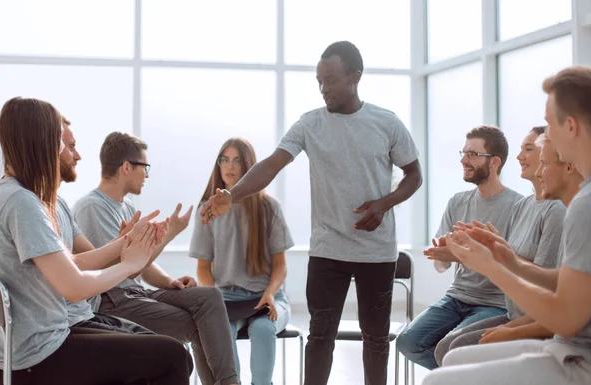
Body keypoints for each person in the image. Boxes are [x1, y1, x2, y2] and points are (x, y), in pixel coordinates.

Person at [200, 41, 422, 385]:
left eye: (331, 80)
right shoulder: (310, 124)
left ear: (355, 77)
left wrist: (383, 204)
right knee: (320, 339)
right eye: (319, 81)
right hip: (327, 251)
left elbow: (414, 175)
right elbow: (273, 163)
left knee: (376, 340)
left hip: (376, 252)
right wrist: (233, 194)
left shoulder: (386, 122)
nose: (324, 89)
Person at [423, 65, 591, 385]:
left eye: (548, 123)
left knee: (438, 380)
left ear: (570, 126)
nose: (545, 135)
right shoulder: (587, 196)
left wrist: (492, 268)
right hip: (571, 348)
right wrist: (508, 258)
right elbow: (569, 281)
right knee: (452, 356)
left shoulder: (587, 204)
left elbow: (565, 318)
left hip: (582, 358)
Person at [0, 96, 190, 384]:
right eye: (60, 141)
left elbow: (71, 263)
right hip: (40, 354)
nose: (66, 150)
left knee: (166, 351)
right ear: (42, 143)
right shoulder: (22, 203)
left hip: (47, 339)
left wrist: (124, 244)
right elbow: (75, 288)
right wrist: (129, 264)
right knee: (173, 356)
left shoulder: (14, 195)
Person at [73, 131, 239, 385]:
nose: (147, 175)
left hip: (137, 293)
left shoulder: (126, 206)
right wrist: (169, 234)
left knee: (209, 296)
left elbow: (142, 266)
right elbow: (126, 268)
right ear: (127, 167)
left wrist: (169, 282)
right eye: (144, 167)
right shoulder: (91, 208)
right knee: (199, 325)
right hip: (114, 300)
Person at [434, 127, 565, 365]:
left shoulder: (556, 210)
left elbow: (544, 282)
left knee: (453, 351)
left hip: (531, 319)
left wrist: (494, 257)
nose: (518, 156)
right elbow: (510, 257)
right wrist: (491, 248)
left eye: (528, 149)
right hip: (512, 313)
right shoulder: (524, 205)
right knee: (443, 348)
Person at [396, 125, 522, 370]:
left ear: (494, 162)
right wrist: (446, 253)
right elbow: (441, 265)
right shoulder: (457, 201)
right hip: (456, 297)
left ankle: (461, 374)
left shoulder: (519, 206)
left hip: (495, 302)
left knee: (452, 349)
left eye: (473, 154)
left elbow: (515, 265)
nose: (464, 160)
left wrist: (466, 254)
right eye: (463, 153)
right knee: (408, 342)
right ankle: (468, 376)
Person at [191, 138, 294, 385]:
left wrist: (270, 294)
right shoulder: (207, 210)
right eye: (224, 159)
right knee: (221, 334)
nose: (230, 166)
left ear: (248, 165)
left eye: (237, 160)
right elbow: (203, 268)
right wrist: (214, 298)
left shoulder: (269, 207)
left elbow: (281, 265)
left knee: (262, 329)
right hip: (226, 298)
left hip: (268, 297)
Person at [59, 116, 160, 335]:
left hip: (84, 313)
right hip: (75, 321)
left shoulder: (59, 205)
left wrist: (127, 240)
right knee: (174, 353)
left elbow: (85, 260)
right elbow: (77, 283)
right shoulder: (89, 206)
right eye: (70, 146)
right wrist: (128, 252)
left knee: (204, 301)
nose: (78, 155)